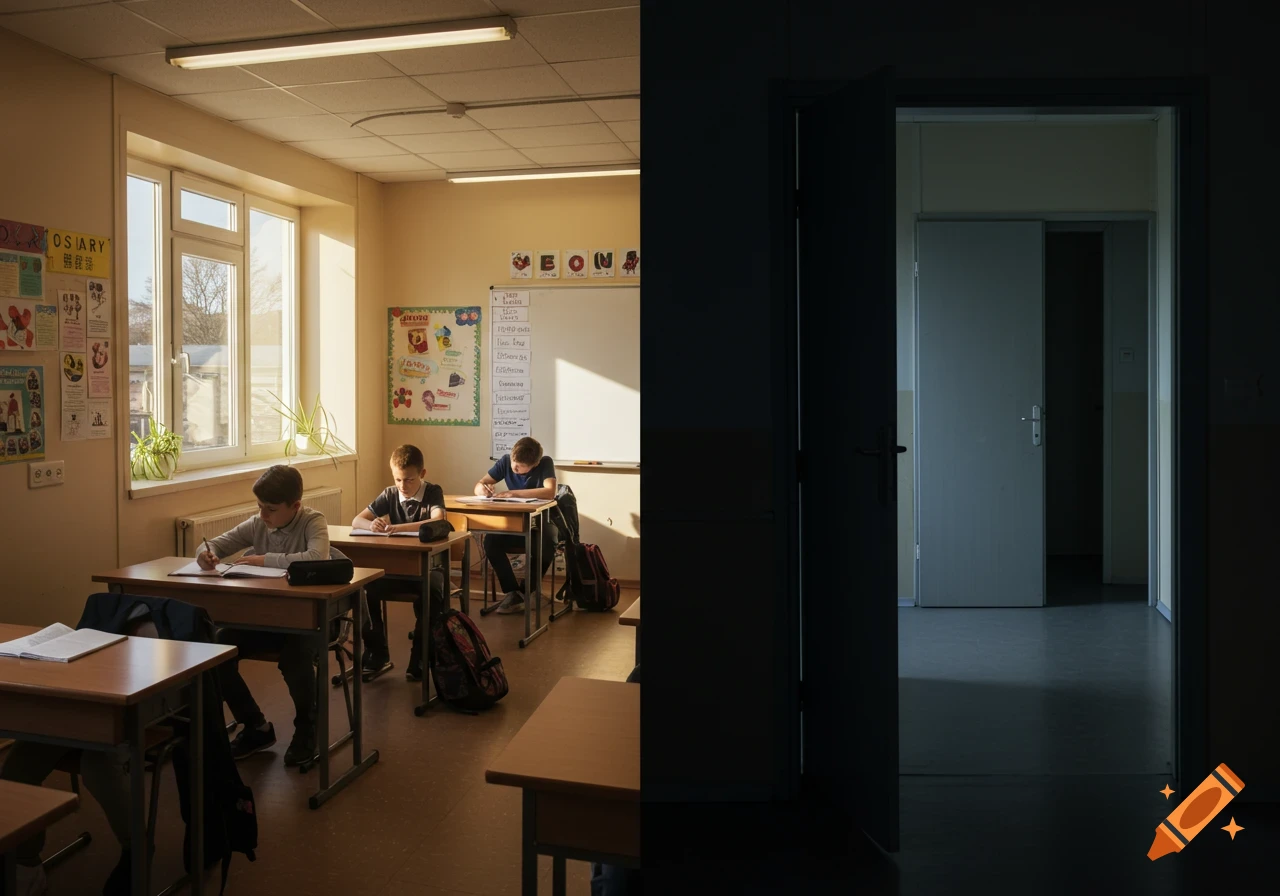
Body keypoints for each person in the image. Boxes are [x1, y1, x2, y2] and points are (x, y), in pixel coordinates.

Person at [197, 465, 344, 766]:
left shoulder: (313, 522)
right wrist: (205, 554)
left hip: (313, 621)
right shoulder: (257, 523)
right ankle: (255, 726)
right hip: (269, 620)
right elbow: (216, 545)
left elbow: (317, 557)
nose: (264, 516)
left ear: (295, 506)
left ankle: (307, 729)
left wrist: (264, 560)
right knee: (217, 649)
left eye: (271, 509)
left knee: (295, 659)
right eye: (260, 507)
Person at [351, 443, 446, 680]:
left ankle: (420, 657)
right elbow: (357, 520)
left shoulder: (433, 491)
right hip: (396, 570)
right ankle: (377, 652)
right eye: (398, 480)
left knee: (432, 592)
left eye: (409, 480)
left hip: (428, 569)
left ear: (422, 474)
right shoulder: (389, 494)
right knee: (364, 588)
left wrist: (397, 528)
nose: (403, 486)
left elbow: (438, 520)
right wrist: (371, 524)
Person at [474, 436, 557, 615]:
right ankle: (512, 592)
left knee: (548, 542)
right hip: (515, 525)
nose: (515, 468)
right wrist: (482, 489)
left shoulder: (545, 463)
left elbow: (550, 492)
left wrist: (513, 493)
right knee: (490, 542)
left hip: (540, 523)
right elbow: (480, 484)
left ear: (534, 465)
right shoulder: (505, 461)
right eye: (514, 463)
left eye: (520, 467)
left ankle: (529, 590)